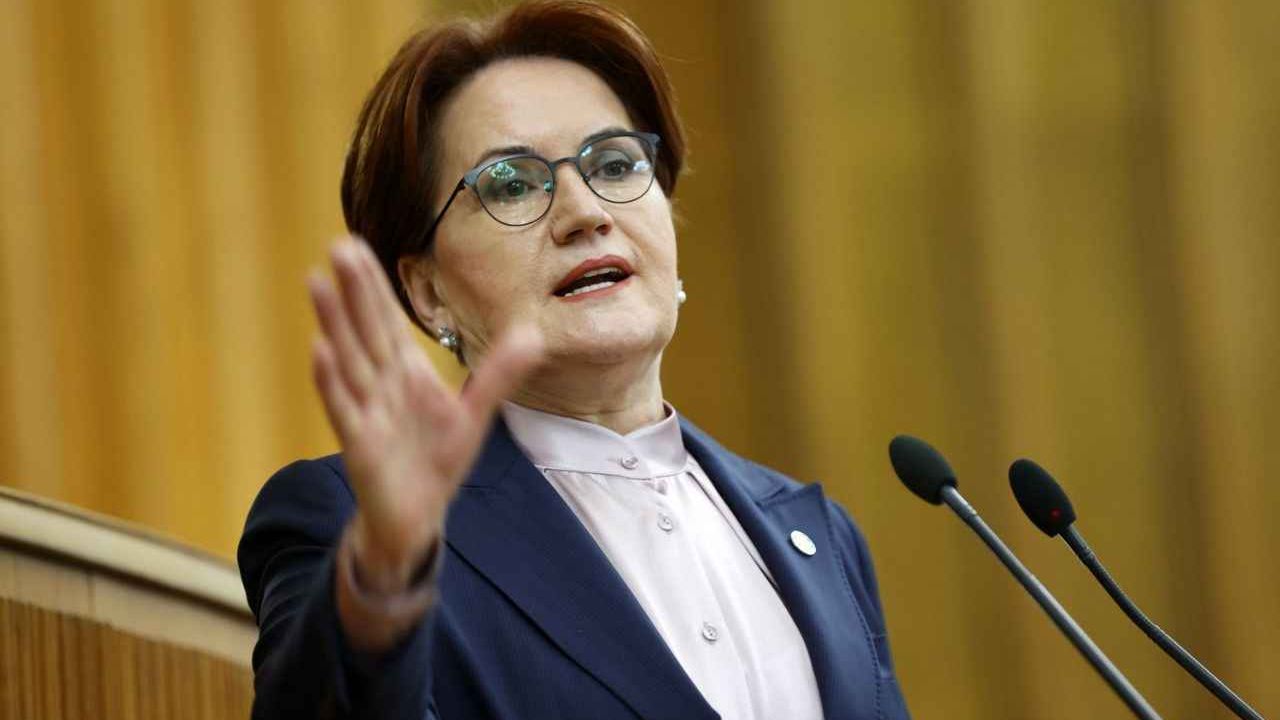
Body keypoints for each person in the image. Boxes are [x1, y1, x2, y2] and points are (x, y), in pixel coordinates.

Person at [237, 1, 910, 718]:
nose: (586, 213)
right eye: (512, 184)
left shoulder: (822, 537)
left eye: (615, 164)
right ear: (428, 292)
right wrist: (379, 586)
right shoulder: (353, 528)